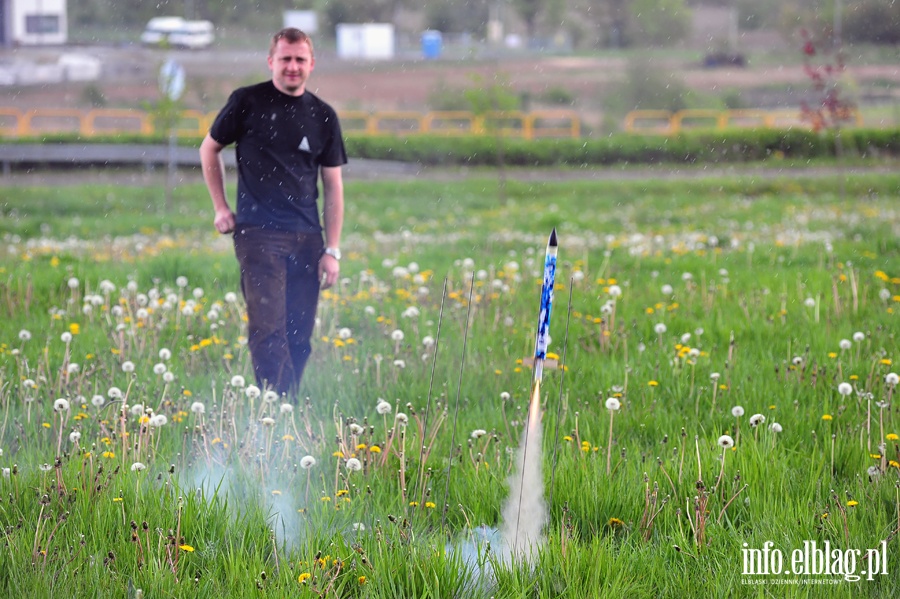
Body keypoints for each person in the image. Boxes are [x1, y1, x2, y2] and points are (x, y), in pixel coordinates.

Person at [200, 28, 347, 399]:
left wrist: (332, 250)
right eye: (285, 59)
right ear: (271, 62)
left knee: (300, 334)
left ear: (311, 63)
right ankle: (275, 410)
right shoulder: (247, 102)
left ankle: (288, 405)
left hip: (307, 237)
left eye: (300, 59)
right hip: (258, 234)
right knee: (268, 329)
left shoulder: (323, 116)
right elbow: (209, 149)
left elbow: (333, 186)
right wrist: (220, 207)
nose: (292, 66)